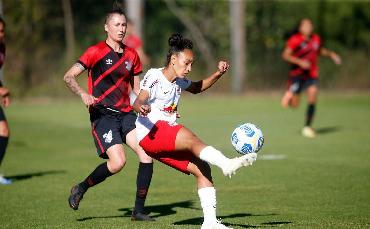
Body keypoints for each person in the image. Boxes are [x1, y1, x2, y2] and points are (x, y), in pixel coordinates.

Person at [133, 33, 257, 229]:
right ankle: (226, 164)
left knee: (203, 169)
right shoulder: (155, 76)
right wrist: (141, 106)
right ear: (174, 60)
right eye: (187, 63)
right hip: (150, 134)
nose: (190, 68)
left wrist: (218, 74)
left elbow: (198, 87)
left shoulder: (179, 82)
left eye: (192, 63)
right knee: (190, 138)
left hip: (163, 136)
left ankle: (210, 223)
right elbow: (139, 99)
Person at [63, 9, 154, 221]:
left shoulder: (132, 55)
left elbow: (135, 91)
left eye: (124, 25)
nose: (121, 29)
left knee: (146, 155)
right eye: (117, 25)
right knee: (118, 163)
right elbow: (68, 77)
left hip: (126, 115)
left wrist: (140, 105)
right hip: (103, 115)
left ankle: (138, 211)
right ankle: (81, 187)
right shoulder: (95, 52)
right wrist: (83, 94)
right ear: (106, 27)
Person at [281, 18, 341, 138]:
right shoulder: (295, 40)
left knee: (313, 93)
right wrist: (300, 62)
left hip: (311, 74)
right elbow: (285, 55)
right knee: (295, 105)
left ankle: (307, 127)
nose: (309, 27)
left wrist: (332, 55)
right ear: (300, 28)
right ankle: (290, 93)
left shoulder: (316, 39)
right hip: (297, 74)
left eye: (310, 25)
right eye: (306, 25)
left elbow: (320, 51)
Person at [0, 17, 12, 185]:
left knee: (3, 131)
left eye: (2, 30)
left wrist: (3, 92)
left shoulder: (2, 47)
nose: (1, 34)